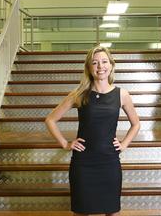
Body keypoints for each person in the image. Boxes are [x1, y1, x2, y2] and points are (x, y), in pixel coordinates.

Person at [45, 46, 141, 216]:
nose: (100, 66)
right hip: (83, 164)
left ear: (111, 65)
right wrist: (66, 144)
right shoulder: (79, 94)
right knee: (82, 211)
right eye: (95, 63)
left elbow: (136, 124)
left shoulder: (122, 94)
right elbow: (50, 120)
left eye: (104, 62)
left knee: (112, 211)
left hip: (109, 162)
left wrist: (124, 144)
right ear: (89, 68)